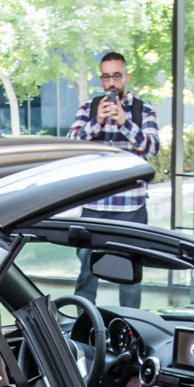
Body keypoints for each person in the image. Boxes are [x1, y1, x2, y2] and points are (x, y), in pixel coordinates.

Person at [66, 51, 160, 308]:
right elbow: (71, 144)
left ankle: (131, 328)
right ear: (101, 79)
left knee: (130, 275)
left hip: (131, 208)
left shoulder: (143, 110)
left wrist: (123, 122)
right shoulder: (88, 109)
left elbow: (152, 148)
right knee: (86, 275)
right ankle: (83, 327)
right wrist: (97, 121)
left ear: (126, 77)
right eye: (106, 77)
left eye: (116, 76)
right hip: (94, 206)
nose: (111, 83)